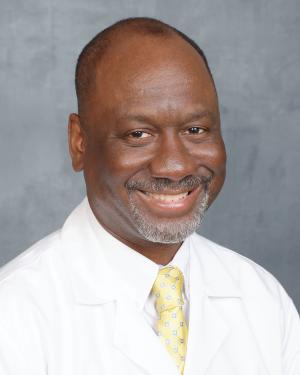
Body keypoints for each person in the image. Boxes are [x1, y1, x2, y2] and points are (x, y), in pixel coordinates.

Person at [0, 17, 299, 375]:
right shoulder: (15, 314)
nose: (174, 167)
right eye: (138, 134)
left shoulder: (262, 299)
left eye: (195, 129)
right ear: (79, 142)